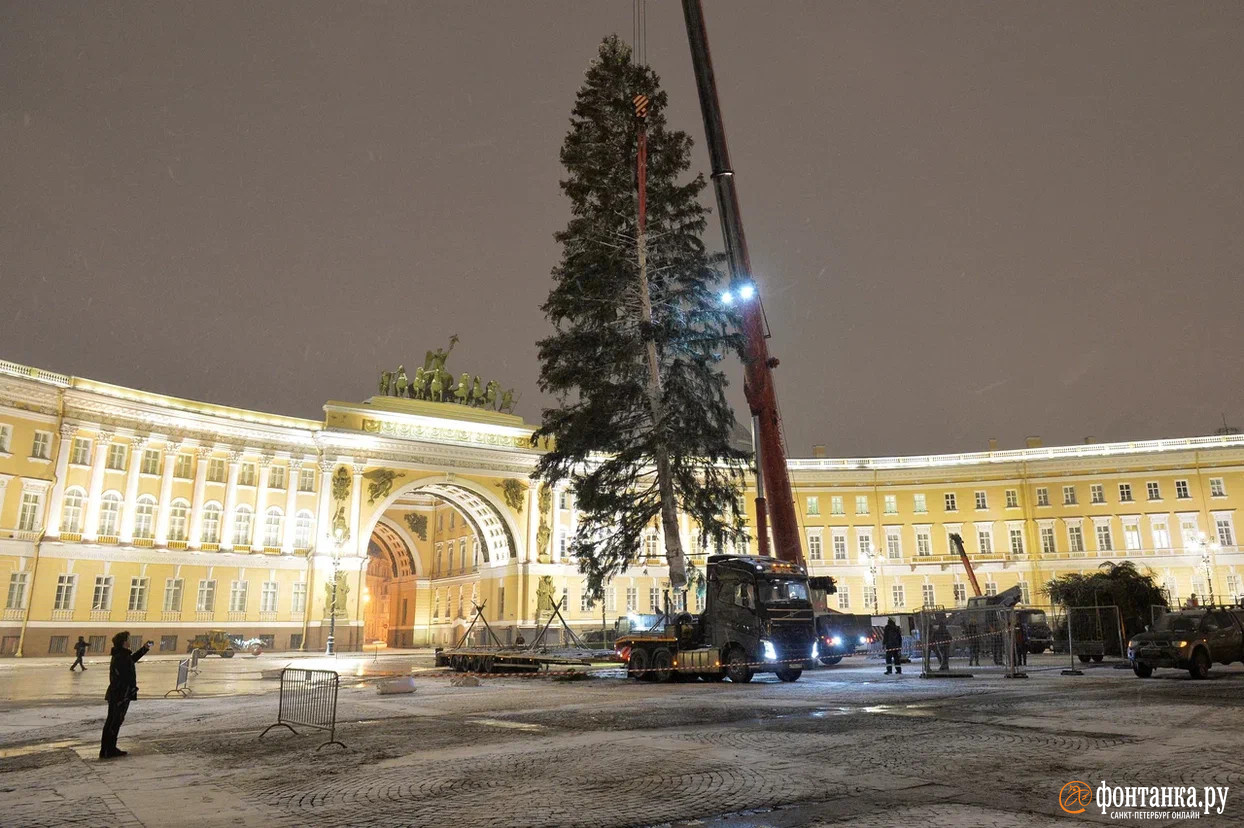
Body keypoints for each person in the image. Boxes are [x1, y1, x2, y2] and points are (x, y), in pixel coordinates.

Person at [100, 631, 151, 760]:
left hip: (119, 693)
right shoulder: (121, 657)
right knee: (114, 722)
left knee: (114, 721)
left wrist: (144, 649)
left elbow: (131, 660)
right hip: (120, 695)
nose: (129, 641)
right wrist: (128, 691)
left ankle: (108, 748)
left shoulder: (121, 655)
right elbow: (123, 676)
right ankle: (108, 749)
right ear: (123, 642)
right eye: (128, 639)